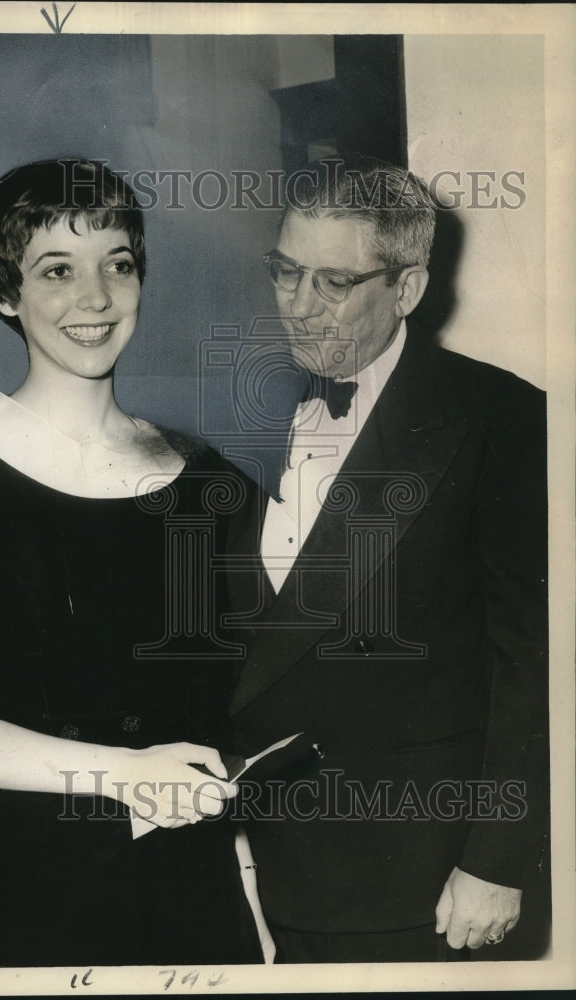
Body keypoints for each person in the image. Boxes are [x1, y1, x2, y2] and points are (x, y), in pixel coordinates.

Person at [0, 159, 262, 968]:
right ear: (4, 294)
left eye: (117, 264)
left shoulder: (209, 481)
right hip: (30, 891)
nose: (95, 298)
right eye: (58, 270)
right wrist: (126, 773)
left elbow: (248, 699)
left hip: (196, 884)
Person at [226, 154, 548, 963]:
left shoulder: (502, 418)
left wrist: (497, 859)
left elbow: (534, 661)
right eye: (285, 272)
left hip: (423, 875)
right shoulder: (229, 406)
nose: (298, 307)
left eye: (332, 283)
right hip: (257, 857)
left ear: (405, 289)